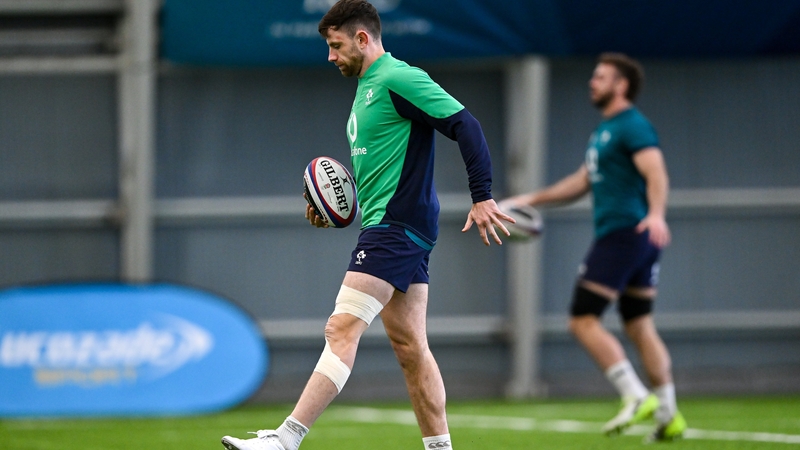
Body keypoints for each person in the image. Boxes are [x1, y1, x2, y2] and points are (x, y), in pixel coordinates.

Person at [221, 1, 513, 450]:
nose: (331, 56)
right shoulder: (365, 88)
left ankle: (285, 440)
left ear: (362, 38)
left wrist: (482, 194)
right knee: (411, 348)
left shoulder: (399, 77)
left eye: (336, 46)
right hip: (389, 224)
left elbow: (464, 124)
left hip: (397, 226)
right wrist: (337, 207)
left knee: (341, 329)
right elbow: (384, 169)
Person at [501, 53, 687, 442]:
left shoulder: (631, 126)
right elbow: (580, 182)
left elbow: (657, 170)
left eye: (601, 77)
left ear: (621, 85)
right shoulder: (605, 132)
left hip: (624, 234)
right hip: (637, 239)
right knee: (638, 323)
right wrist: (530, 199)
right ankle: (669, 415)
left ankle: (635, 395)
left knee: (582, 319)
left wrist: (656, 214)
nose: (592, 82)